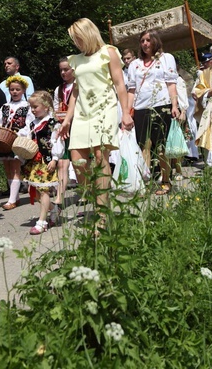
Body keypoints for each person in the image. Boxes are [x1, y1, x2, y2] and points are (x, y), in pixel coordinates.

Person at [58, 18, 133, 232]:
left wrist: (125, 113)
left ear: (88, 34)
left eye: (78, 38)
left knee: (101, 158)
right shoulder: (76, 60)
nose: (76, 43)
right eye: (74, 40)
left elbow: (120, 84)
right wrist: (67, 119)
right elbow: (75, 91)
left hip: (104, 110)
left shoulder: (108, 52)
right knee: (78, 161)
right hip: (82, 113)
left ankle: (102, 214)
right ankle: (100, 197)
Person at [127, 29, 180, 195]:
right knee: (143, 145)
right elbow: (131, 90)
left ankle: (165, 180)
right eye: (142, 41)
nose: (145, 44)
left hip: (161, 105)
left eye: (148, 40)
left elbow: (171, 83)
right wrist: (128, 111)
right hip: (141, 108)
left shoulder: (166, 59)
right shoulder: (134, 64)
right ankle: (145, 181)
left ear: (156, 41)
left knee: (162, 146)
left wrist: (174, 105)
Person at [20, 91, 64, 235]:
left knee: (43, 190)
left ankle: (42, 221)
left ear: (46, 107)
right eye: (31, 107)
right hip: (33, 161)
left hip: (46, 161)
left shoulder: (53, 124)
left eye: (35, 106)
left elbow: (57, 142)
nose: (32, 110)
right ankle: (54, 209)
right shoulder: (32, 123)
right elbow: (27, 137)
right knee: (34, 192)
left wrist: (55, 159)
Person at [0, 75, 33, 209]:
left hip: (17, 139)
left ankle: (11, 200)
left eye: (17, 89)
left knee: (16, 167)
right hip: (5, 139)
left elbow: (29, 123)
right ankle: (15, 197)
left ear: (23, 90)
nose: (15, 92)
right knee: (7, 167)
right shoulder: (5, 106)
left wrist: (20, 133)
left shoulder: (27, 106)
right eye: (12, 89)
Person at [53, 57, 76, 205]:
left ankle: (87, 191)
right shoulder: (58, 89)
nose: (63, 72)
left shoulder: (79, 85)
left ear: (73, 69)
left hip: (77, 126)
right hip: (64, 128)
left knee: (81, 163)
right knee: (62, 161)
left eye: (66, 69)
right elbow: (56, 108)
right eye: (61, 70)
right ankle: (60, 197)